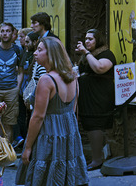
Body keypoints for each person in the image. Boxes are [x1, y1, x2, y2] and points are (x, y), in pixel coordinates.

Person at [22, 37, 88, 185]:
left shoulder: (46, 80)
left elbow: (38, 116)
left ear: (51, 54)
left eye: (40, 50)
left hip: (49, 133)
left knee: (47, 177)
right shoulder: (72, 76)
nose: (35, 53)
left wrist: (27, 147)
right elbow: (73, 109)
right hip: (69, 131)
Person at [74, 28, 115, 171]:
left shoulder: (106, 54)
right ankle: (98, 157)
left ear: (99, 40)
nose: (87, 41)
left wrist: (86, 52)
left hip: (100, 97)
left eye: (90, 39)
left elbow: (99, 68)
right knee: (90, 125)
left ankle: (98, 159)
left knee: (95, 125)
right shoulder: (89, 55)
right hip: (88, 97)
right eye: (85, 39)